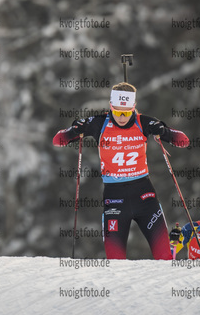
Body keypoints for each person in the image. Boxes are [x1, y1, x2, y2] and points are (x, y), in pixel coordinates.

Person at [53, 82, 189, 260]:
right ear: (111, 107)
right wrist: (73, 130)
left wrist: (164, 131)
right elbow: (57, 140)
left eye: (127, 112)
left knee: (164, 257)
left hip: (145, 197)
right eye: (117, 112)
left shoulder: (144, 122)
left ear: (134, 108)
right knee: (115, 262)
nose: (122, 117)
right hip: (115, 199)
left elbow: (183, 141)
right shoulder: (98, 123)